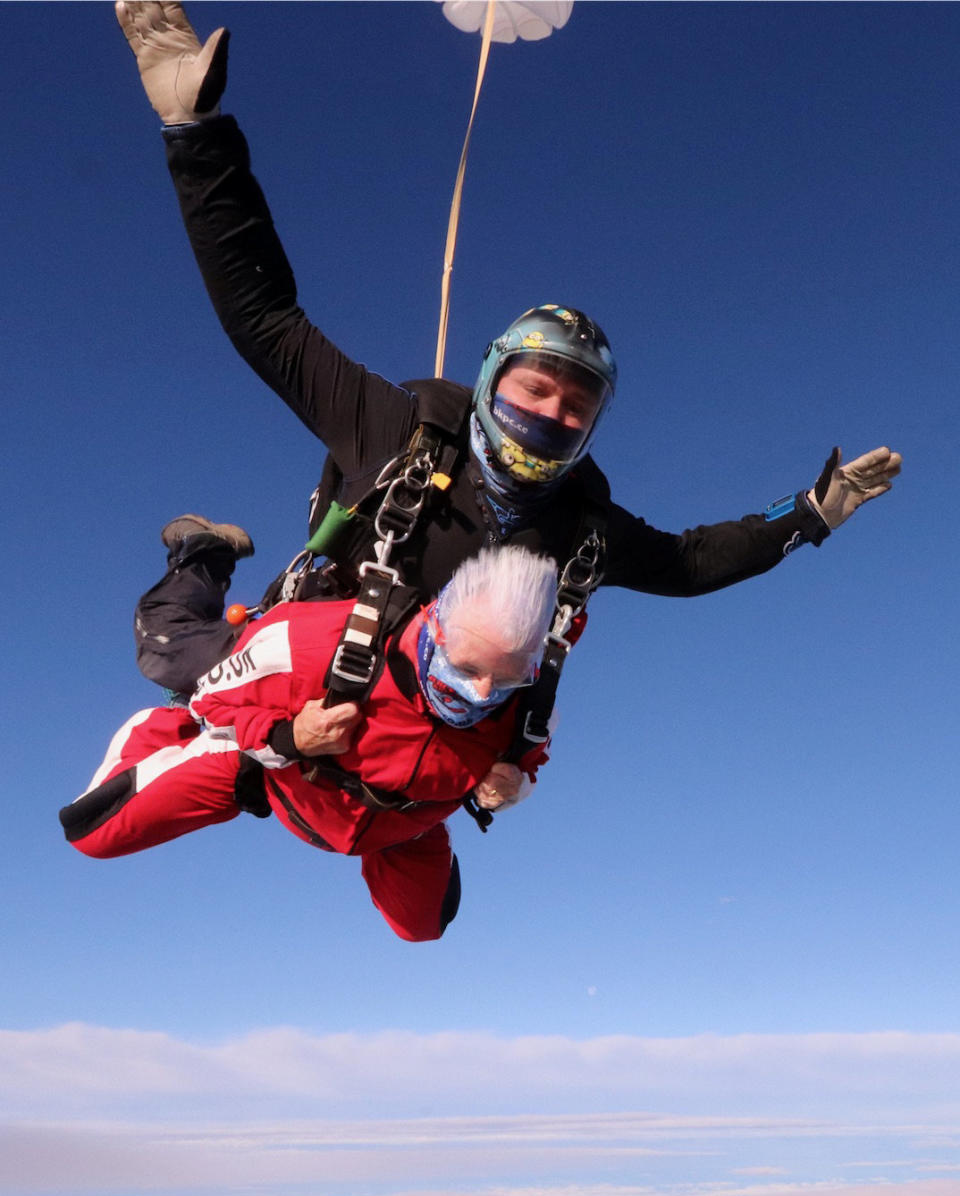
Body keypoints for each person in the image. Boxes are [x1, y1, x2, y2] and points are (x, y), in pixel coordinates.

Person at [116, 3, 902, 702]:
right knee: (174, 661)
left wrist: (807, 515)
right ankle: (204, 551)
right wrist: (196, 135)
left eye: (577, 404)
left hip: (419, 707)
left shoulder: (578, 524)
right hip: (320, 648)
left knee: (418, 832)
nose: (552, 413)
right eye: (536, 387)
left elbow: (689, 564)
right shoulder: (397, 432)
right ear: (491, 383)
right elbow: (265, 319)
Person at [61, 545, 560, 943]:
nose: (481, 693)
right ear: (434, 628)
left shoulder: (528, 706)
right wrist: (287, 738)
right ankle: (166, 728)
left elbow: (530, 757)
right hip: (273, 771)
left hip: (402, 820)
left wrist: (513, 785)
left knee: (423, 928)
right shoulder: (310, 642)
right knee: (93, 830)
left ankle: (416, 814)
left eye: (506, 680)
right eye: (466, 668)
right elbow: (211, 695)